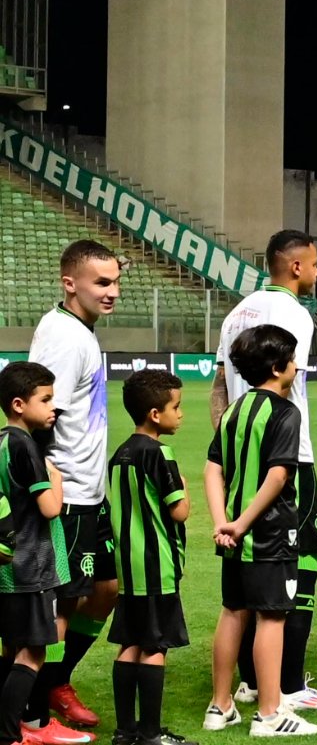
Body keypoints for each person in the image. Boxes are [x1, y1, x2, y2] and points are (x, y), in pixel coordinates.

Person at [211, 230, 317, 712]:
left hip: (241, 455)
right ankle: (288, 685)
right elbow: (284, 390)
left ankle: (250, 682)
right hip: (291, 458)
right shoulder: (292, 315)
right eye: (314, 264)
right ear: (294, 267)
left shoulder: (236, 313)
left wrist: (231, 452)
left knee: (246, 575)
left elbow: (220, 391)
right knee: (298, 565)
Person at [202, 325, 317, 737]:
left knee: (233, 611)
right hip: (269, 534)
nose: (297, 365)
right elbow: (278, 475)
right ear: (277, 367)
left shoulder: (234, 410)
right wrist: (245, 522)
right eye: (292, 359)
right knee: (272, 617)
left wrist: (224, 520)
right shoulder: (286, 412)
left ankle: (220, 706)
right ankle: (270, 713)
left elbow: (212, 468)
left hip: (236, 534)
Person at [26, 239, 121, 740]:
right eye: (102, 283)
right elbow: (41, 413)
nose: (113, 292)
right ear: (71, 283)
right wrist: (47, 483)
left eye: (116, 281)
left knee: (104, 590)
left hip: (90, 492)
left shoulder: (80, 330)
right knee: (62, 604)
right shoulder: (65, 337)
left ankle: (56, 682)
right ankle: (35, 711)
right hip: (68, 496)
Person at [107, 370, 195, 745]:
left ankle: (125, 731)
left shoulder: (120, 452)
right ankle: (152, 733)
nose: (181, 414)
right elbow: (179, 511)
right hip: (157, 565)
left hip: (128, 568)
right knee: (155, 644)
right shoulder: (160, 454)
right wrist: (186, 490)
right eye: (177, 407)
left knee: (130, 642)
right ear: (156, 414)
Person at [0, 362, 67, 745]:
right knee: (33, 652)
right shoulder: (25, 445)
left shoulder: (2, 441)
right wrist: (55, 480)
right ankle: (9, 733)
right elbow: (49, 508)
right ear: (19, 404)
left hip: (9, 565)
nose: (52, 407)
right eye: (45, 400)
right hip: (31, 566)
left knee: (12, 649)